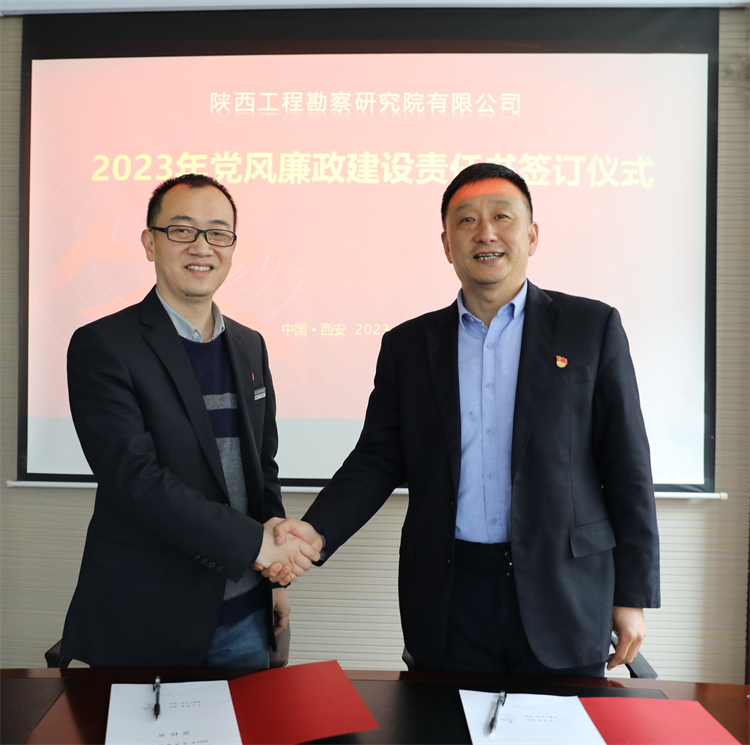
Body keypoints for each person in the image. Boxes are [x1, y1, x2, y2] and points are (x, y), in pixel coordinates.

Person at [259, 163, 660, 675]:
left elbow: (627, 465)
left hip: (564, 590)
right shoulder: (408, 346)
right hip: (449, 594)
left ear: (532, 235)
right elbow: (377, 459)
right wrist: (314, 533)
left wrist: (631, 593)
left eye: (502, 217)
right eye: (467, 220)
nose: (485, 232)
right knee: (443, 717)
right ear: (447, 244)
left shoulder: (591, 327)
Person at [60, 174, 319, 668]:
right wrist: (255, 545)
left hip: (246, 614)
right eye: (182, 230)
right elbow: (134, 480)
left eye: (218, 233)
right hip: (149, 616)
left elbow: (262, 467)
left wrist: (274, 578)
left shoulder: (249, 344)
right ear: (149, 242)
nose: (202, 247)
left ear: (233, 246)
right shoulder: (104, 345)